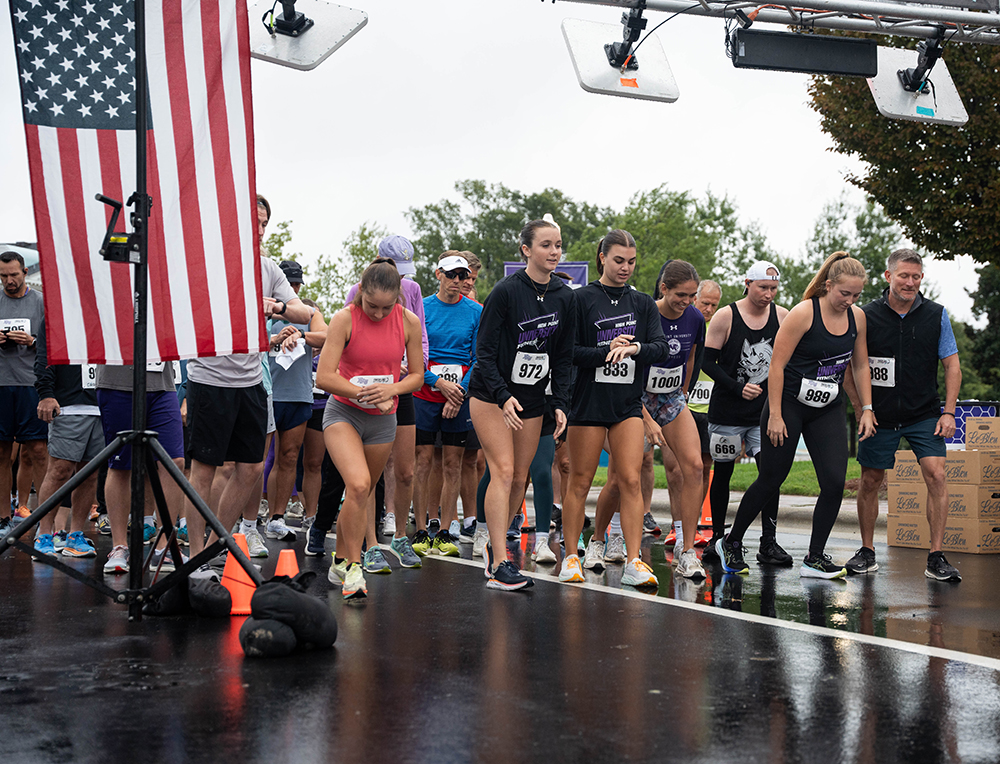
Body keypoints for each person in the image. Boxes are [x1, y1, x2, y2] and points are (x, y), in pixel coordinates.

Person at [718, 252, 876, 579]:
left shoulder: (857, 317)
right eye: (844, 294)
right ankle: (730, 542)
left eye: (856, 295)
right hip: (788, 403)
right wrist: (774, 414)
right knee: (772, 478)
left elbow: (860, 365)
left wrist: (866, 408)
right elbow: (776, 365)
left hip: (827, 405)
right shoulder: (804, 313)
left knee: (834, 483)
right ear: (828, 285)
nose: (850, 300)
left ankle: (814, 558)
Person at [184, 194, 311, 565]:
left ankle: (216, 542)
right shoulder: (209, 264)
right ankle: (195, 553)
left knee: (253, 467)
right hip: (209, 377)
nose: (258, 230)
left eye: (264, 224)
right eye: (252, 222)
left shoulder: (269, 269)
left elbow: (303, 313)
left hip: (252, 379)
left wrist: (279, 306)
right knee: (204, 471)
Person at [468, 219, 575, 591]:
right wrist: (502, 395)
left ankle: (496, 551)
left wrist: (560, 402)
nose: (554, 252)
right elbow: (483, 352)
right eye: (546, 245)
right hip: (491, 395)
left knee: (519, 476)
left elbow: (563, 357)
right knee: (502, 468)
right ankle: (499, 560)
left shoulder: (565, 296)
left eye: (558, 245)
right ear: (526, 250)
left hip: (532, 398)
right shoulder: (506, 292)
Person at [558, 230, 668, 588]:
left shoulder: (643, 304)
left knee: (630, 479)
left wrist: (633, 348)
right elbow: (569, 351)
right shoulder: (582, 299)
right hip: (588, 402)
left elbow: (660, 347)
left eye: (632, 262)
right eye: (619, 260)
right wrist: (607, 350)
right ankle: (572, 557)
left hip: (626, 406)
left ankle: (634, 560)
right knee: (580, 480)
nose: (626, 268)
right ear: (601, 257)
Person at [844, 249, 963, 582]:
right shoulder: (864, 315)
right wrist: (859, 408)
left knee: (936, 475)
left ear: (921, 278)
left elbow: (952, 365)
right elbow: (851, 368)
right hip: (878, 414)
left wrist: (949, 412)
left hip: (924, 412)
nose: (910, 283)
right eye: (903, 276)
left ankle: (936, 556)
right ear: (888, 276)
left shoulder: (936, 315)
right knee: (870, 480)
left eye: (916, 276)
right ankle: (867, 552)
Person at [317, 258, 424, 599]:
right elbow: (325, 377)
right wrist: (364, 394)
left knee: (363, 492)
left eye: (386, 307)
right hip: (343, 414)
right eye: (371, 306)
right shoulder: (344, 318)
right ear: (360, 292)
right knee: (359, 484)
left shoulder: (408, 321)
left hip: (384, 419)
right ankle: (352, 566)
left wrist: (391, 390)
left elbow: (417, 376)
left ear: (399, 299)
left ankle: (338, 558)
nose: (378, 314)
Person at [341, 236, 429, 572]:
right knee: (368, 476)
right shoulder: (357, 291)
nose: (401, 277)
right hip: (364, 392)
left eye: (404, 271)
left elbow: (420, 339)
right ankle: (371, 543)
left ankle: (401, 535)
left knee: (406, 471)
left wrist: (406, 370)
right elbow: (352, 337)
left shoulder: (413, 290)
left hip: (399, 387)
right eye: (394, 267)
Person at [700, 262, 791, 566]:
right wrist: (737, 387)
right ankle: (717, 538)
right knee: (723, 473)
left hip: (764, 414)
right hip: (727, 412)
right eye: (763, 287)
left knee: (771, 473)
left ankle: (769, 541)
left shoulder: (782, 316)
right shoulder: (726, 316)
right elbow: (707, 363)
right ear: (747, 283)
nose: (768, 294)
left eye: (773, 289)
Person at [638, 260, 707, 579]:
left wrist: (684, 389)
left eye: (693, 295)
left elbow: (692, 354)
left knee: (693, 466)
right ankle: (610, 539)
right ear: (664, 289)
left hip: (671, 396)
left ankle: (687, 549)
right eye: (681, 295)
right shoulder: (644, 313)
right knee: (627, 471)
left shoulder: (693, 316)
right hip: (636, 398)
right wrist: (645, 418)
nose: (688, 302)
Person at [411, 253, 481, 558]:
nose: (457, 282)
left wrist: (459, 393)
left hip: (459, 396)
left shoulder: (476, 311)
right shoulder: (421, 308)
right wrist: (436, 382)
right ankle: (421, 528)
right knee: (423, 462)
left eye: (462, 276)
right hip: (425, 393)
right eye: (451, 275)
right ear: (438, 274)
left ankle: (444, 531)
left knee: (453, 463)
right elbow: (414, 354)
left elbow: (478, 359)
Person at [263, 260, 327, 543]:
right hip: (267, 393)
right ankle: (249, 518)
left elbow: (327, 336)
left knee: (289, 457)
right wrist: (277, 337)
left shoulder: (309, 313)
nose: (293, 288)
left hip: (299, 394)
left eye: (297, 284)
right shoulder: (264, 311)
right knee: (259, 459)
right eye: (289, 283)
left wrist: (301, 334)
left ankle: (277, 517)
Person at [31, 321, 100, 558]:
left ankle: (75, 535)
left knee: (90, 473)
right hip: (67, 403)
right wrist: (46, 393)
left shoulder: (107, 306)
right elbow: (44, 354)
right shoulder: (60, 310)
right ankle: (44, 534)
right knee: (60, 470)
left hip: (102, 401)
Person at [0, 251, 47, 536]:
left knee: (39, 451)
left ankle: (44, 516)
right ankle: (4, 516)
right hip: (2, 384)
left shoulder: (40, 302)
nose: (9, 281)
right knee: (2, 451)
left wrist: (32, 341)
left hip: (32, 384)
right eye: (3, 276)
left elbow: (54, 344)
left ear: (25, 271)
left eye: (14, 275)